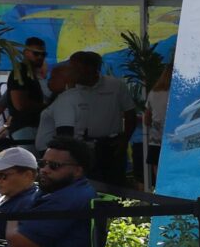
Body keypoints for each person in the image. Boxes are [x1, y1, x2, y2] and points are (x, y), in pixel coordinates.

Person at [36, 52, 134, 183]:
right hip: (84, 146)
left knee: (116, 184)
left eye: (74, 67)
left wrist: (125, 140)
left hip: (112, 144)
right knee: (90, 183)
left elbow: (130, 113)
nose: (71, 71)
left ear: (90, 68)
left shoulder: (115, 85)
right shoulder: (71, 91)